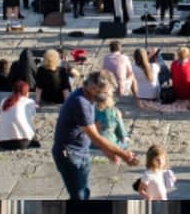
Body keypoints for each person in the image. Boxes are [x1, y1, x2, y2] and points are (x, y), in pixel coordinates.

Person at [52, 71, 138, 200]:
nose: (107, 95)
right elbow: (96, 138)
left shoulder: (87, 97)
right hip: (70, 155)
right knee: (79, 195)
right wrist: (123, 154)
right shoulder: (80, 103)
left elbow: (93, 132)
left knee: (84, 191)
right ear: (93, 89)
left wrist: (108, 152)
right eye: (105, 92)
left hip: (81, 151)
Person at [0, 80, 38, 151]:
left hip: (3, 142)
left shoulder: (4, 101)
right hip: (22, 142)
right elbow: (31, 117)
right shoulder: (29, 102)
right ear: (26, 92)